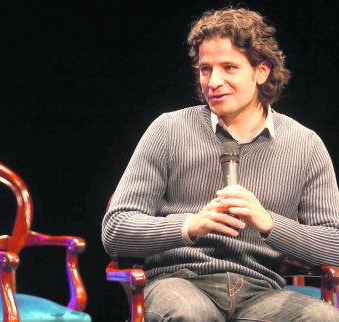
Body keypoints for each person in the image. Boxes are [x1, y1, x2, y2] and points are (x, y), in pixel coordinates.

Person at [102, 7, 339, 321]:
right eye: (205, 69)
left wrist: (269, 222)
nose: (213, 81)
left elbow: (334, 244)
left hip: (261, 291)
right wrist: (190, 226)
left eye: (229, 67)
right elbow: (116, 230)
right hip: (180, 281)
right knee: (191, 314)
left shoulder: (305, 145)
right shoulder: (169, 129)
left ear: (262, 71)